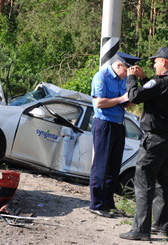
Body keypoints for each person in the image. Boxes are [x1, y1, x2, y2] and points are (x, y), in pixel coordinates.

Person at [120, 47, 168, 241]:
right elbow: (155, 93)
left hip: (154, 139)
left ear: (164, 62)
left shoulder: (160, 82)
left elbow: (135, 96)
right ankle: (162, 226)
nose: (154, 63)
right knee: (163, 184)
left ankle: (140, 229)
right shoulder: (160, 83)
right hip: (166, 140)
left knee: (143, 182)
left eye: (155, 61)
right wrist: (144, 78)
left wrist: (131, 78)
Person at [90, 51, 141, 218]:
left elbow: (125, 104)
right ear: (119, 65)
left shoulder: (123, 78)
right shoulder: (102, 76)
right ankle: (96, 204)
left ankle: (108, 203)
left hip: (119, 124)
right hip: (103, 123)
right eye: (127, 71)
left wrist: (132, 98)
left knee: (114, 167)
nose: (127, 75)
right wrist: (121, 99)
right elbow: (99, 102)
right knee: (101, 165)